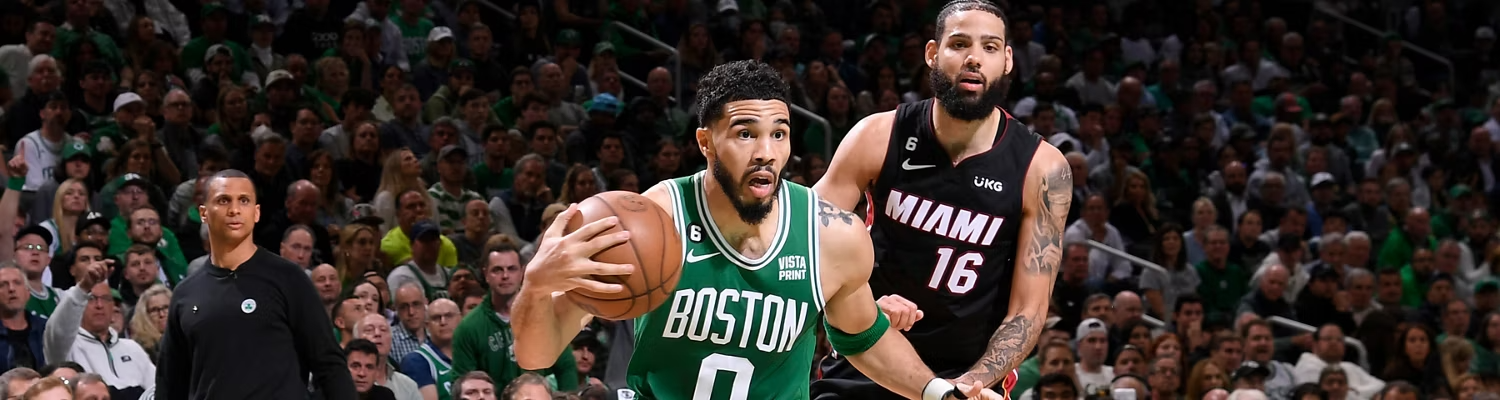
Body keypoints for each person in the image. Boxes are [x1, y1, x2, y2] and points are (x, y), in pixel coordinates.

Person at [511, 60, 1002, 399]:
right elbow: (535, 352)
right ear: (705, 141)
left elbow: (863, 337)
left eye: (780, 133)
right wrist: (537, 285)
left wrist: (939, 391)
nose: (766, 150)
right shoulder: (651, 220)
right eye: (745, 133)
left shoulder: (831, 235)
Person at [810, 1, 1071, 397]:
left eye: (989, 47)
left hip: (968, 375)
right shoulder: (877, 136)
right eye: (960, 44)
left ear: (1007, 61)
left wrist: (968, 385)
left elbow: (1028, 311)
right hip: (867, 358)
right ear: (933, 53)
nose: (973, 59)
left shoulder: (1043, 169)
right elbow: (804, 243)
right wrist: (859, 303)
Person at [155, 169, 356, 398]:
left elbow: (329, 364)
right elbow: (169, 385)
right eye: (223, 200)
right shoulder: (185, 294)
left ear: (256, 213)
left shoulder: (289, 278)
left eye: (244, 200)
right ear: (204, 213)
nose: (234, 210)